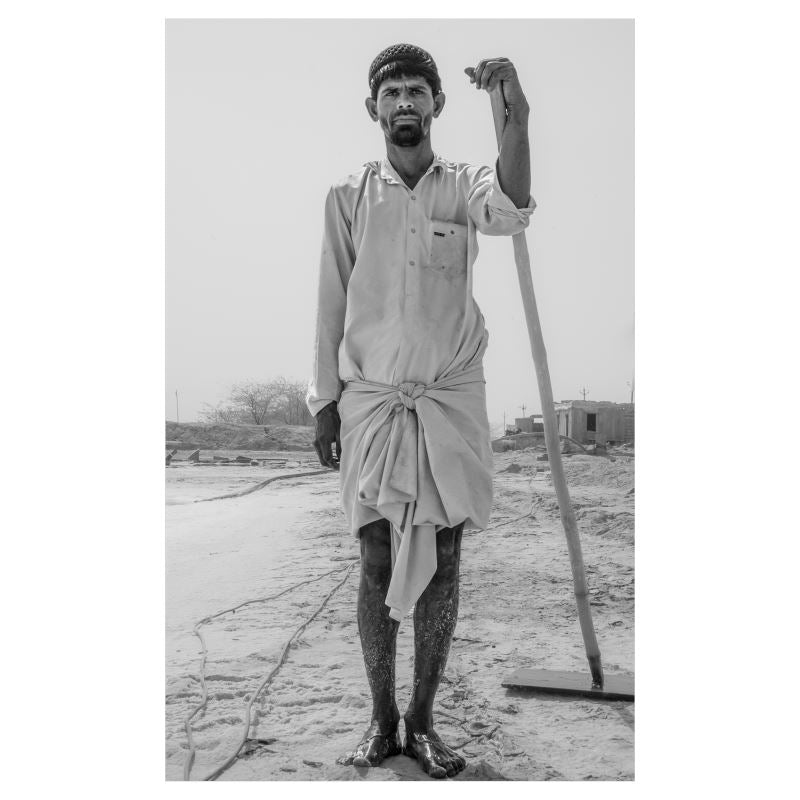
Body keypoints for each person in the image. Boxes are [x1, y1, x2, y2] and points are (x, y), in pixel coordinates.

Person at [307, 43, 534, 779]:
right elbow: (330, 304)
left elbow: (512, 206)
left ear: (436, 105)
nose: (405, 103)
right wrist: (324, 404)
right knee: (374, 558)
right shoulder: (347, 197)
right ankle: (380, 720)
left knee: (447, 560)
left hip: (448, 400)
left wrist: (516, 115)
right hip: (371, 402)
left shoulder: (463, 186)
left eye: (417, 92)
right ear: (372, 108)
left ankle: (424, 721)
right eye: (392, 92)